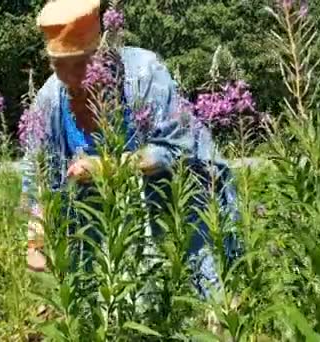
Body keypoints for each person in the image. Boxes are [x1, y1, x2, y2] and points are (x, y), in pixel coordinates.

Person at [19, 0, 242, 300]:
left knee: (197, 292)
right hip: (103, 225)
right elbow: (38, 175)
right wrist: (36, 240)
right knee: (104, 300)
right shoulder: (48, 99)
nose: (71, 78)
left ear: (101, 54)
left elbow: (179, 147)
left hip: (173, 204)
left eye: (80, 65)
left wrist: (107, 167)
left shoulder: (145, 73)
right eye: (59, 66)